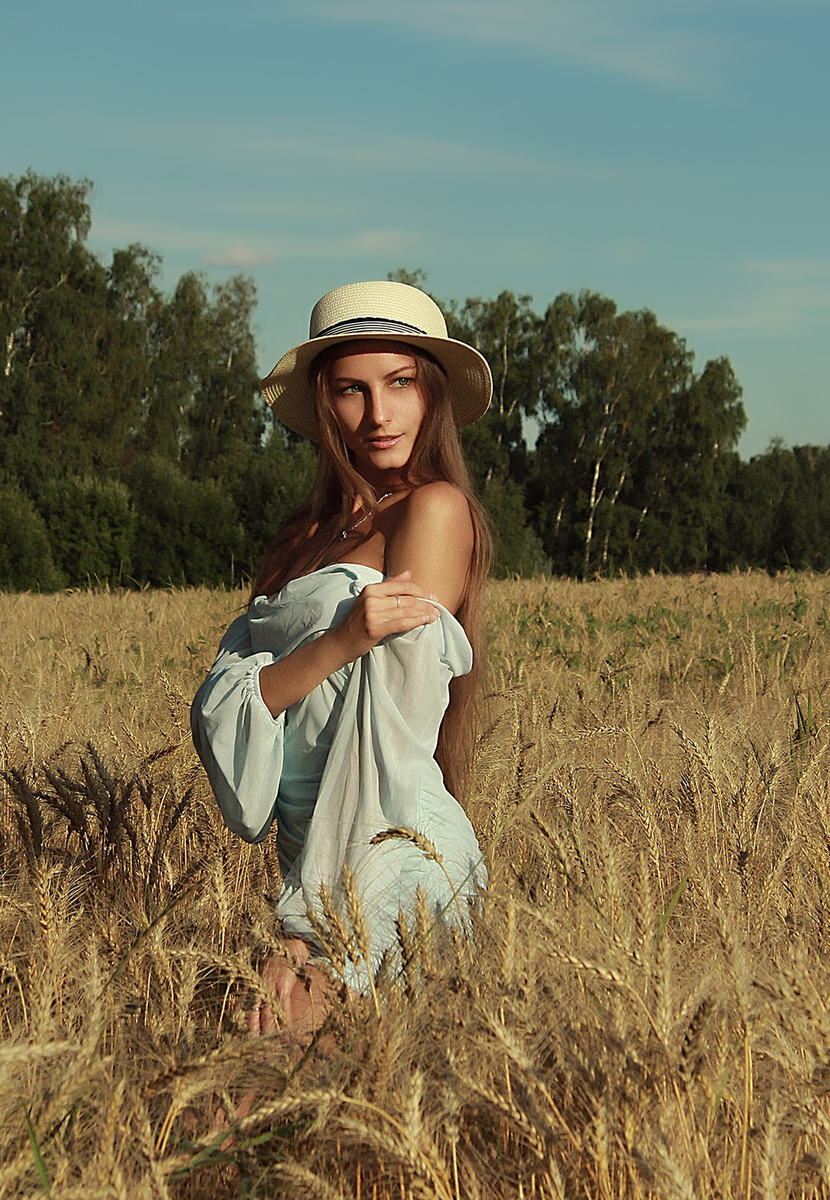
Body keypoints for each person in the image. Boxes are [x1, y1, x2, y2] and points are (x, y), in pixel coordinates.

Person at [190, 280, 494, 1033]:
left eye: (400, 384)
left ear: (431, 395)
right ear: (326, 405)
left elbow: (389, 729)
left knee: (264, 1088)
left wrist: (315, 916)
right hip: (313, 859)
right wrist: (340, 641)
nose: (379, 414)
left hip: (389, 849)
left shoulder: (434, 511)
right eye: (353, 391)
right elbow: (226, 707)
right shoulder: (300, 539)